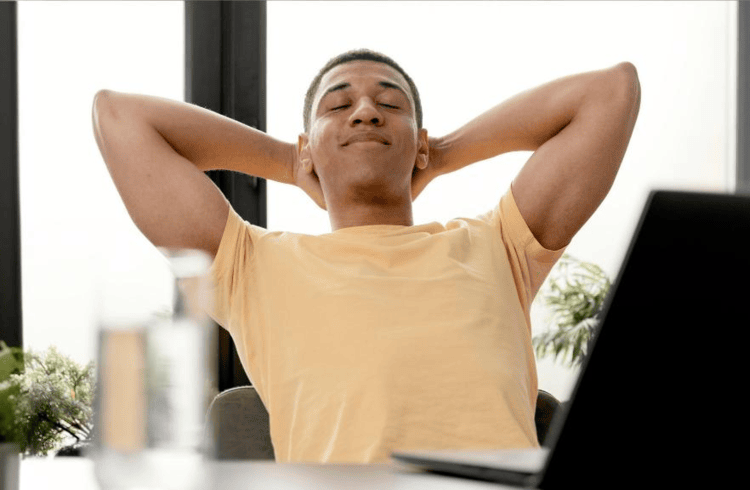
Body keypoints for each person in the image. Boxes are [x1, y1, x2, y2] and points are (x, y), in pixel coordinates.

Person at [91, 49, 640, 464]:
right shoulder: (250, 263)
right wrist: (292, 160)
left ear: (418, 141)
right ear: (308, 144)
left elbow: (611, 92)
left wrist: (441, 153)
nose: (365, 113)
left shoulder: (498, 243)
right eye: (338, 105)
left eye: (389, 104)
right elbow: (118, 117)